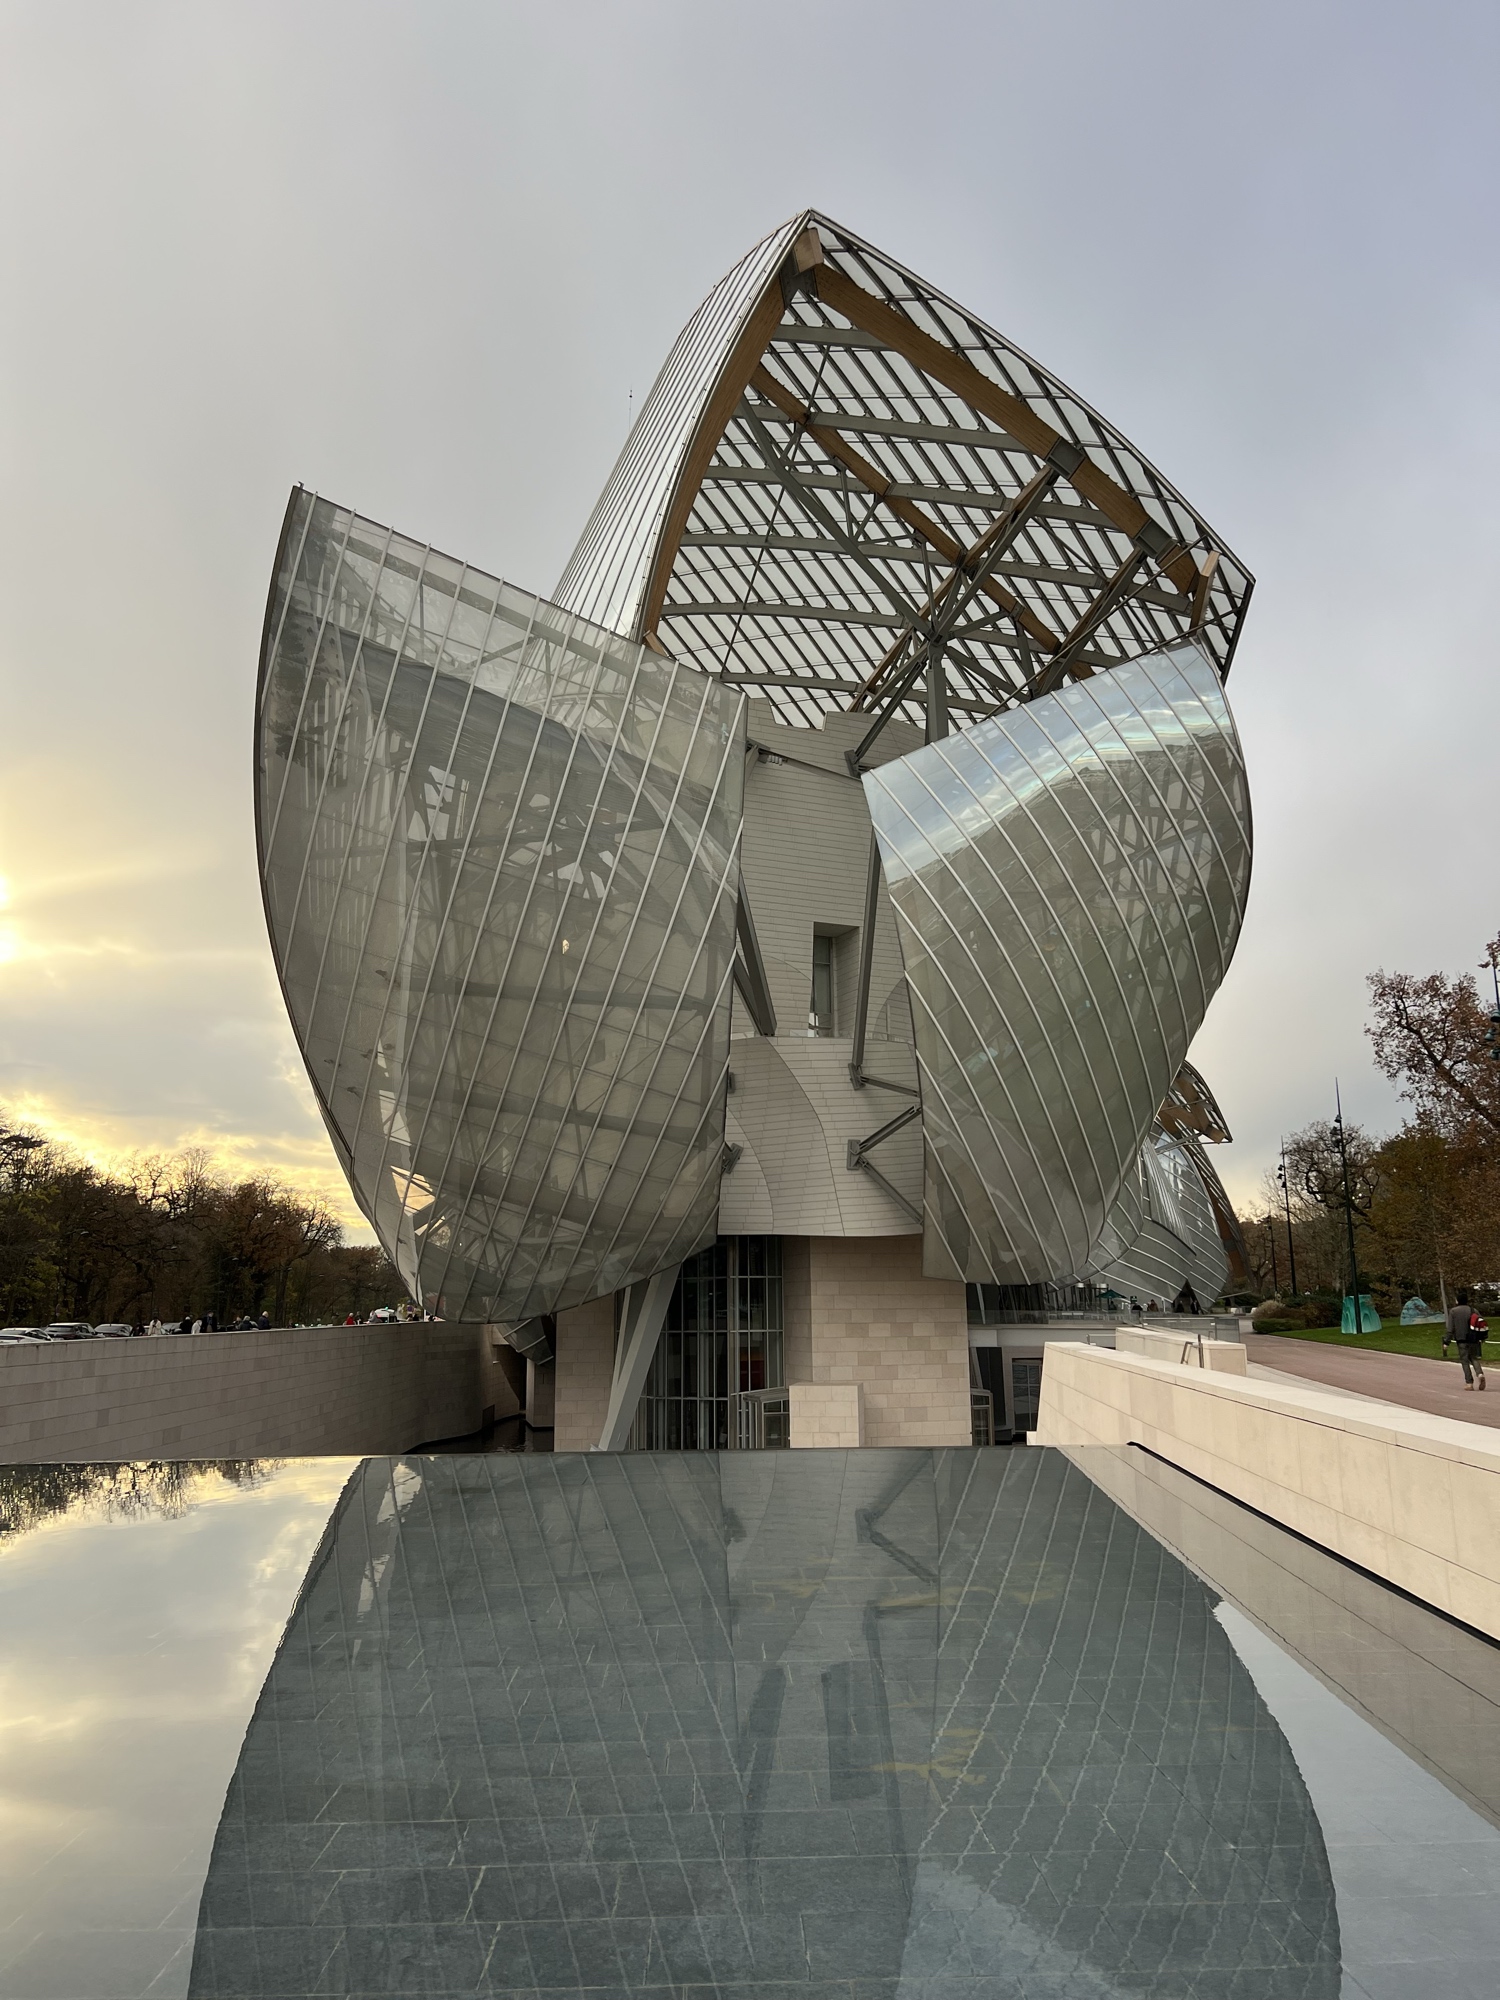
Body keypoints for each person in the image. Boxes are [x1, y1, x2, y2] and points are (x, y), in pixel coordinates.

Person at [1443, 1290, 1487, 1390]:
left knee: (1465, 1361)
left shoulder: (1453, 1311)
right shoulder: (1473, 1310)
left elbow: (1450, 1329)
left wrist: (1446, 1342)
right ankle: (1480, 1373)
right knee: (1474, 1358)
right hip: (1473, 1339)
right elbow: (1480, 1323)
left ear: (1457, 1301)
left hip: (1461, 1339)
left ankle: (1469, 1383)